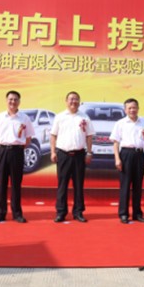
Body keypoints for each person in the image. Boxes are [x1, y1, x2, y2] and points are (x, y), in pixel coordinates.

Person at [0, 91, 35, 223]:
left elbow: (28, 138)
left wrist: (17, 147)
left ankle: (17, 213)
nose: (13, 102)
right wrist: (4, 145)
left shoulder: (24, 118)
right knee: (1, 183)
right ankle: (0, 212)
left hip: (17, 152)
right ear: (6, 101)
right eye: (10, 99)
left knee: (16, 183)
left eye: (15, 99)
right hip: (2, 151)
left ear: (19, 102)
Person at [50, 91, 95, 223]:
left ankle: (78, 212)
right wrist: (53, 152)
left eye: (76, 99)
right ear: (66, 101)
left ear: (79, 102)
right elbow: (53, 135)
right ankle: (61, 212)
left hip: (79, 155)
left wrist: (89, 152)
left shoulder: (84, 117)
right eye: (71, 99)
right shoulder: (60, 117)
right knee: (62, 185)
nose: (73, 101)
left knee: (78, 185)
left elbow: (89, 136)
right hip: (63, 154)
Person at [110, 98, 144, 224]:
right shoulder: (120, 123)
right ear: (125, 110)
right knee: (125, 185)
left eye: (134, 107)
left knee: (138, 186)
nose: (132, 110)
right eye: (129, 108)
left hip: (139, 154)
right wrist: (117, 159)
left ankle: (137, 213)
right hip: (126, 155)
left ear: (138, 108)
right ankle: (123, 213)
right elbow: (116, 143)